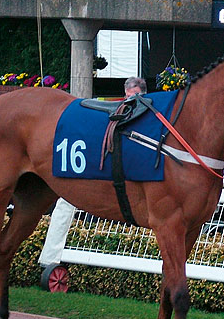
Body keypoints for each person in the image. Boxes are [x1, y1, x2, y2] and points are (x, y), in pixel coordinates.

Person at [39, 76, 147, 267]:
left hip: (130, 173)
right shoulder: (114, 108)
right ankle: (49, 259)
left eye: (136, 96)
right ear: (124, 94)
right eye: (129, 96)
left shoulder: (148, 113)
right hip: (99, 169)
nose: (131, 100)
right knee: (65, 201)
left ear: (143, 94)